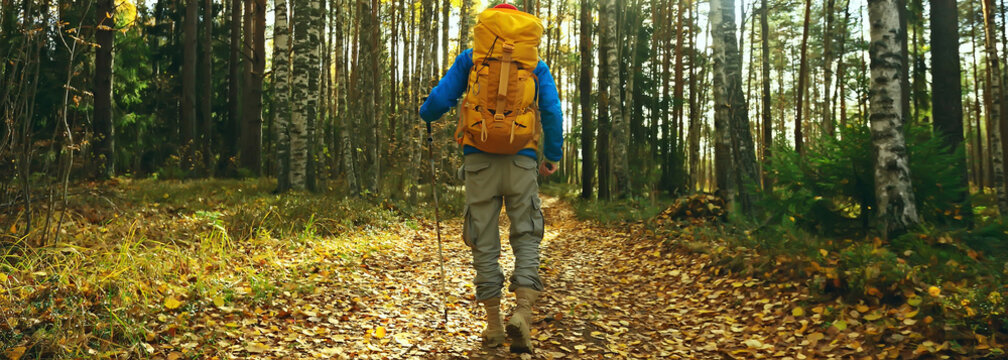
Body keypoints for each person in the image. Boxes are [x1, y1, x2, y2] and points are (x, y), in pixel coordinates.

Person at [418, 3, 563, 354]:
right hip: (521, 160)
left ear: (489, 29)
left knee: (483, 238)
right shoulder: (534, 63)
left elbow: (442, 98)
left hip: (479, 159)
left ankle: (494, 325)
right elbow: (552, 109)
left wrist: (426, 113)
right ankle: (523, 313)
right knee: (527, 234)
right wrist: (553, 156)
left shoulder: (473, 58)